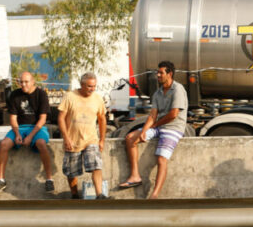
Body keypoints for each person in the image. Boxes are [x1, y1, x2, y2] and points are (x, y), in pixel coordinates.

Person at [120, 60, 188, 199]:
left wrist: (155, 125)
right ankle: (135, 176)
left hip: (173, 127)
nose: (158, 75)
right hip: (159, 126)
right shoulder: (157, 93)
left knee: (161, 159)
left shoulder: (178, 89)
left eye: (161, 73)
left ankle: (154, 194)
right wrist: (144, 131)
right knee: (130, 138)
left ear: (170, 74)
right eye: (157, 72)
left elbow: (173, 114)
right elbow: (152, 115)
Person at [0, 72, 55, 194]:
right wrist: (17, 134)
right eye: (21, 82)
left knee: (41, 144)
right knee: (4, 144)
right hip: (20, 127)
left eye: (26, 82)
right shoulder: (15, 95)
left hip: (37, 127)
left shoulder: (41, 94)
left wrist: (31, 136)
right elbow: (13, 118)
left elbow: (42, 119)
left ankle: (49, 179)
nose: (23, 84)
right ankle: (1, 179)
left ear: (33, 82)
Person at [57, 73, 107, 199]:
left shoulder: (97, 98)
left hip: (91, 139)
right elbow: (61, 118)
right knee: (71, 171)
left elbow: (102, 119)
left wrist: (102, 140)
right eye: (89, 86)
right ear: (82, 85)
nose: (92, 89)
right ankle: (75, 195)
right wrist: (66, 138)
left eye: (94, 86)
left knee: (96, 165)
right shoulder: (70, 96)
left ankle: (99, 194)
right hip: (73, 140)